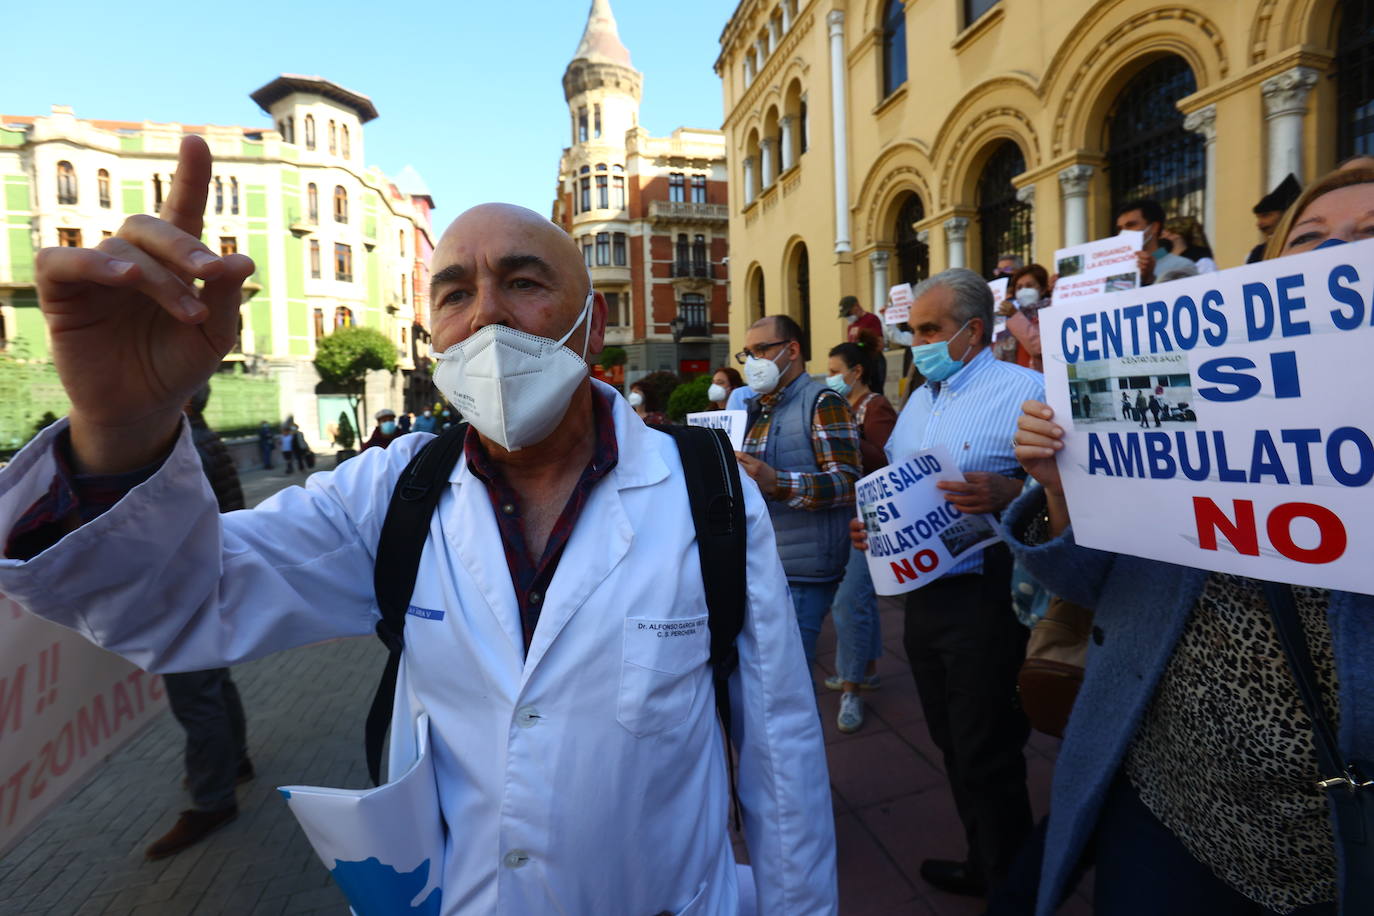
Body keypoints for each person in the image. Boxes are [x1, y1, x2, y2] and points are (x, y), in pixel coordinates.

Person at [0, 137, 837, 914]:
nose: (486, 316)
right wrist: (118, 426)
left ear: (596, 323)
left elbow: (779, 749)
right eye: (454, 292)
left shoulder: (703, 490)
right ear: (434, 334)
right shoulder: (389, 493)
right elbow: (177, 607)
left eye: (523, 282)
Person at [1003, 167, 1374, 916]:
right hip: (1167, 802)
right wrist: (1060, 483)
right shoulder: (1173, 382)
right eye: (1308, 237)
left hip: (1331, 843)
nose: (1333, 253)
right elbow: (1083, 582)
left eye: (1365, 240)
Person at [877, 268, 1044, 897]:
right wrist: (876, 526)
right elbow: (895, 481)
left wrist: (1012, 492)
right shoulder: (921, 398)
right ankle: (986, 861)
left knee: (988, 749)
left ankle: (1014, 888)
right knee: (950, 739)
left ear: (973, 332)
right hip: (924, 599)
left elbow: (1074, 486)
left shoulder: (1028, 389)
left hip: (990, 598)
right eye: (912, 329)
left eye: (929, 329)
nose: (916, 342)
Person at [145, 384, 254, 860]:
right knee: (215, 680)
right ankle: (236, 761)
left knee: (195, 694)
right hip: (209, 579)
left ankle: (213, 801)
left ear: (183, 400)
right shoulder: (204, 439)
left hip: (186, 588)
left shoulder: (182, 448)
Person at [735, 315, 861, 669]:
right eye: (747, 353)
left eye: (762, 349)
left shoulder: (823, 402)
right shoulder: (757, 408)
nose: (754, 361)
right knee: (769, 675)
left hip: (806, 568)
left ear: (792, 350)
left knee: (792, 679)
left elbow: (848, 482)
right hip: (765, 561)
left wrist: (777, 482)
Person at [822, 341, 896, 733]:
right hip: (849, 513)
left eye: (836, 369)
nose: (830, 376)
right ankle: (864, 669)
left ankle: (850, 691)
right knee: (858, 597)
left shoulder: (875, 407)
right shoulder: (841, 406)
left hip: (871, 515)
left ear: (856, 372)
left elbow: (887, 458)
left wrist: (849, 430)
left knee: (849, 602)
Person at [1115, 199, 1194, 286]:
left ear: (1154, 227)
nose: (1124, 233)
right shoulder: (1115, 270)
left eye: (1131, 225)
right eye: (1120, 229)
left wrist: (1149, 279)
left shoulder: (1180, 266)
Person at [1246, 173, 1302, 264]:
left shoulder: (1307, 244)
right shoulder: (1259, 253)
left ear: (1286, 215)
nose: (1259, 224)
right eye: (1258, 218)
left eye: (1266, 215)